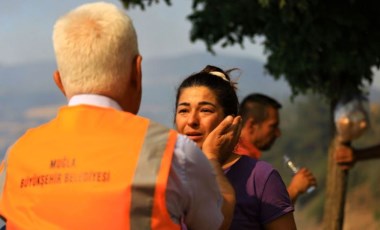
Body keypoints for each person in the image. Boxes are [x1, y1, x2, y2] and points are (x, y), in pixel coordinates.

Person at [0, 3, 240, 229]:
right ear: (137, 72)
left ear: (60, 82)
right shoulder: (172, 153)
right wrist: (211, 161)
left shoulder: (15, 157)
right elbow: (216, 223)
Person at [175, 65, 297, 229]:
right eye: (183, 110)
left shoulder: (260, 177)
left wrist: (211, 158)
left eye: (205, 110)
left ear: (230, 120)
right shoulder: (168, 174)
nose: (191, 121)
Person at [236, 93, 317, 204]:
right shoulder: (239, 161)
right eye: (272, 126)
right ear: (252, 125)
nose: (278, 134)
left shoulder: (241, 157)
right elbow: (260, 213)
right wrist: (295, 189)